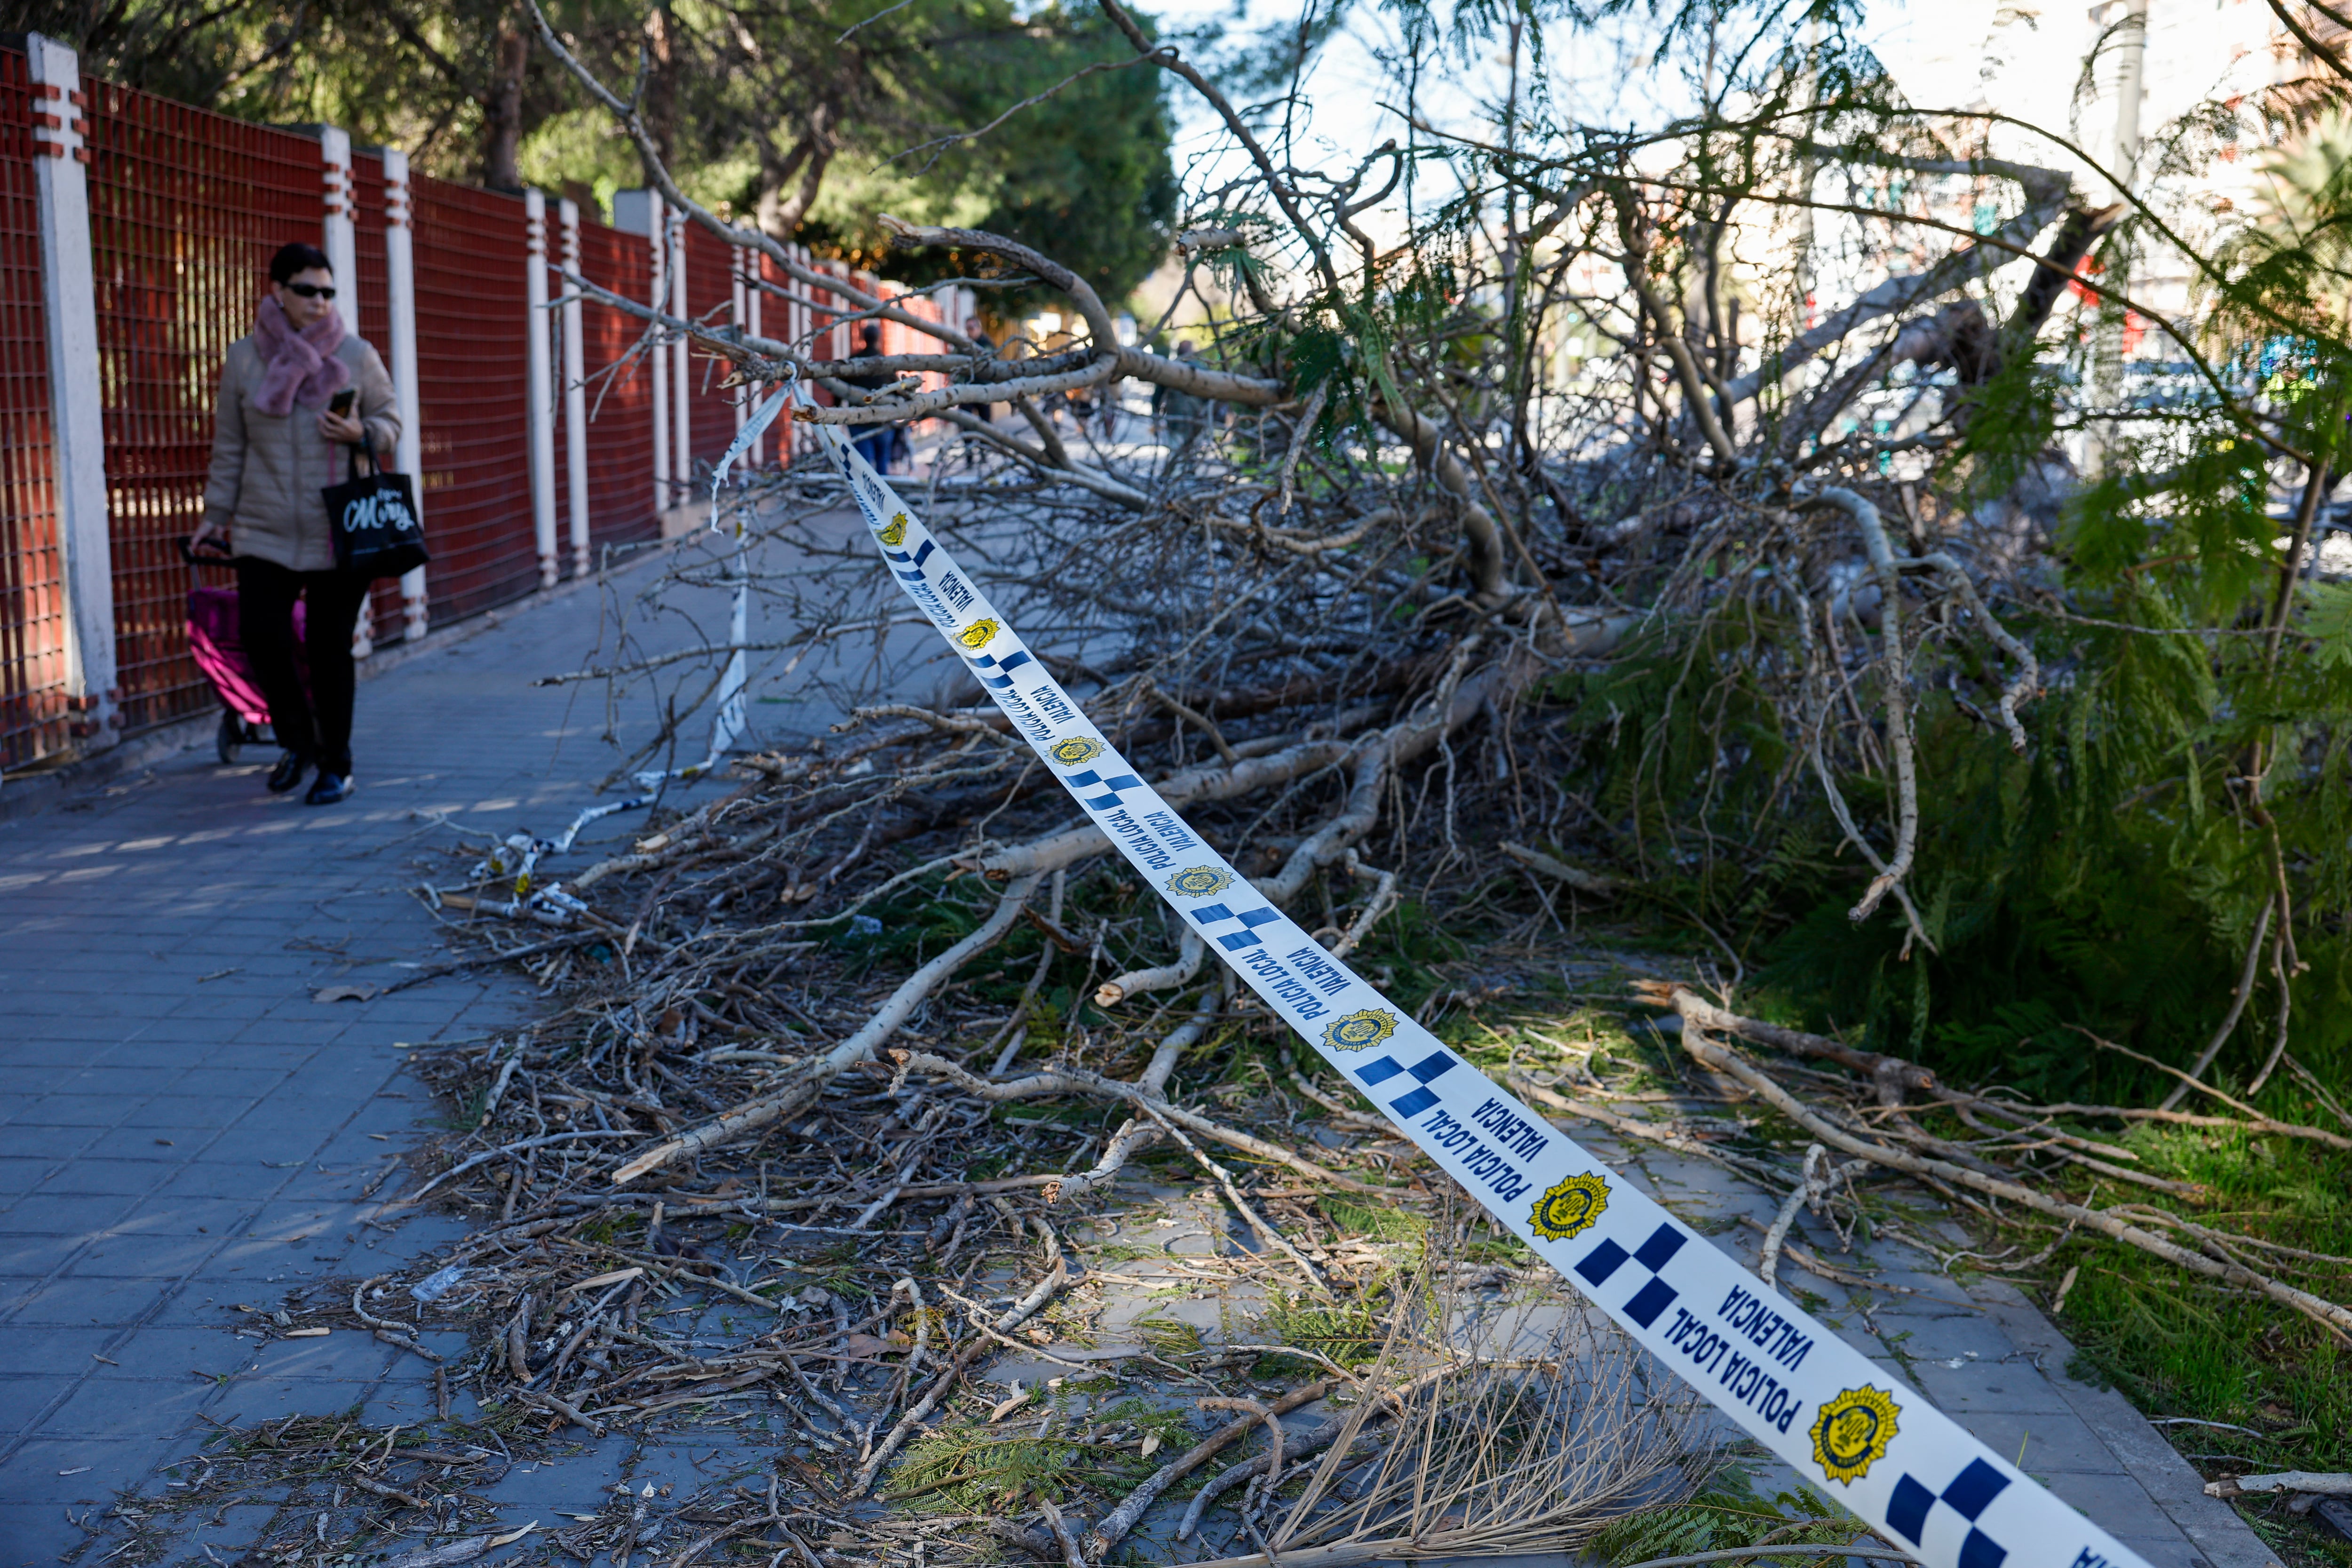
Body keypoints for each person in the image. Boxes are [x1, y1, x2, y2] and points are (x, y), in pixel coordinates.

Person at [193, 241, 399, 806]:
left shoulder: (355, 355)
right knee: (262, 637)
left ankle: (337, 765)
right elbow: (230, 447)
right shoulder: (244, 360)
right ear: (278, 292)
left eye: (328, 292)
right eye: (308, 291)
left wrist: (362, 434)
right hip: (264, 526)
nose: (320, 302)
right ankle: (297, 741)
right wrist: (215, 518)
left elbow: (392, 420)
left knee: (331, 647)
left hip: (338, 527)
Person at [841, 322, 898, 473]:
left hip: (859, 420)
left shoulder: (854, 361)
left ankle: (867, 496)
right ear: (879, 339)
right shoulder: (886, 363)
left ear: (863, 338)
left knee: (864, 467)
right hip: (883, 420)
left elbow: (839, 389)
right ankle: (884, 494)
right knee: (882, 463)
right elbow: (898, 390)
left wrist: (838, 412)